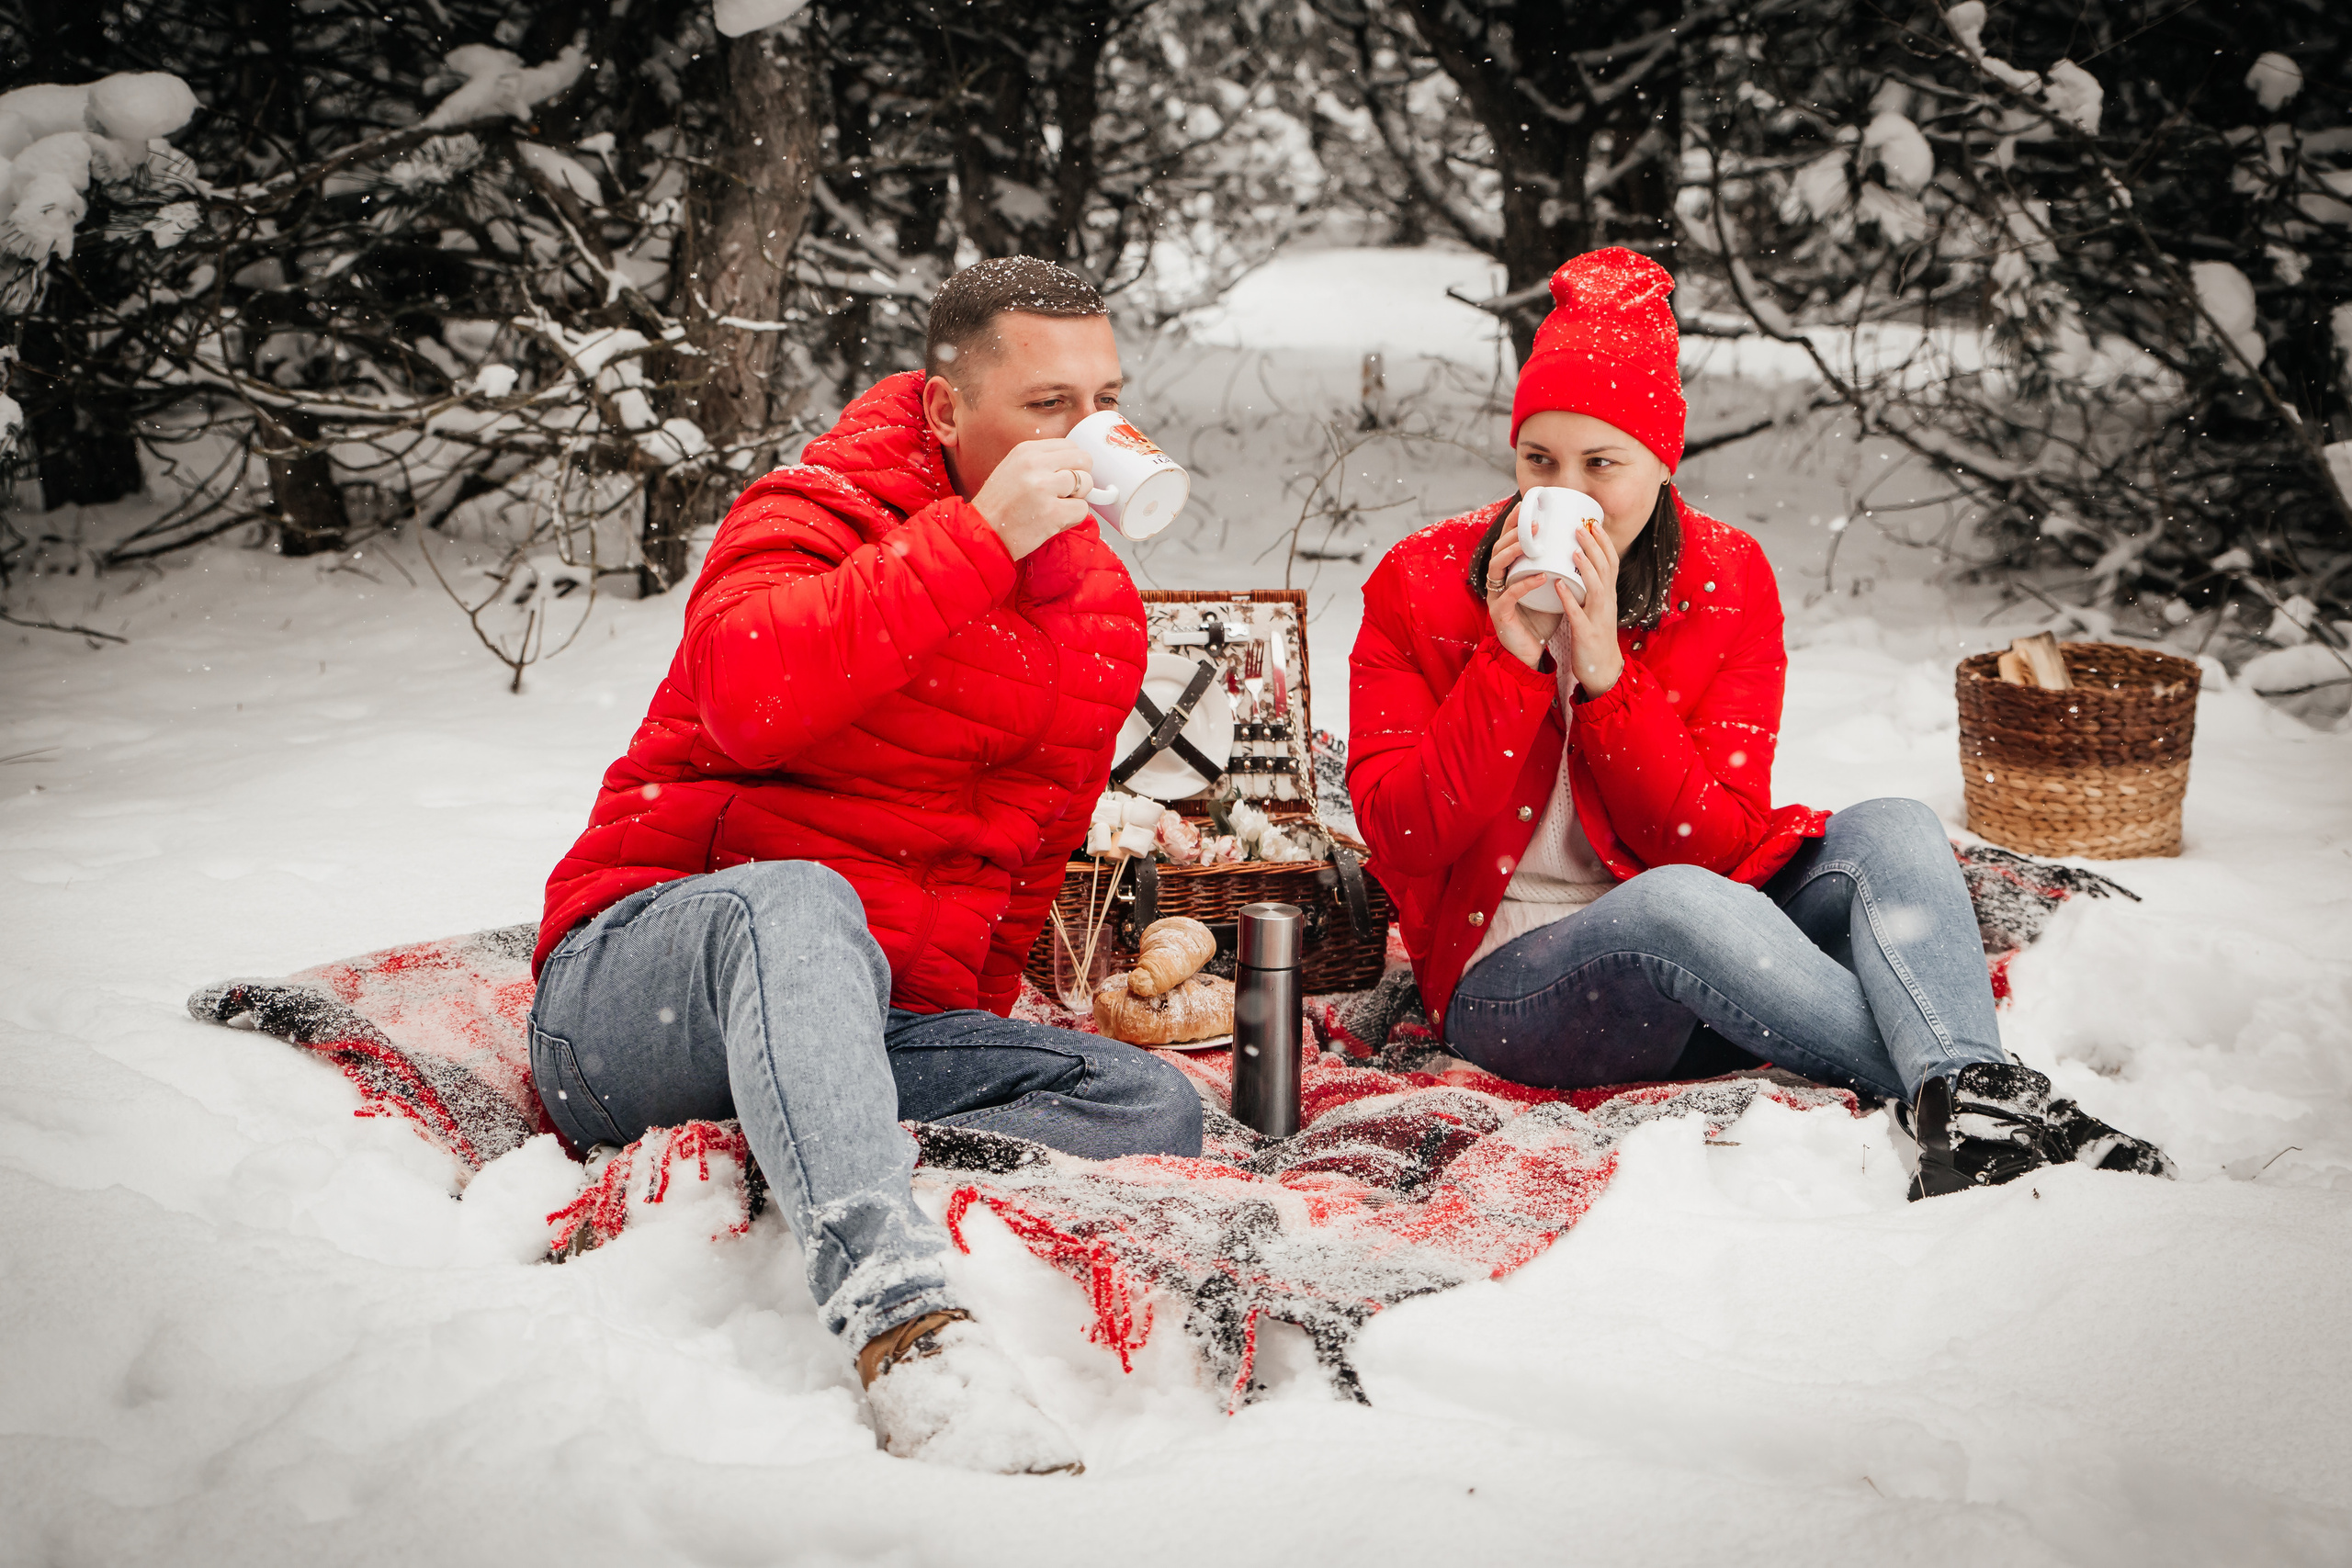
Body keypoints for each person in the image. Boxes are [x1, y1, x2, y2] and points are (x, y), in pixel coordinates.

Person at [527, 257, 1204, 1474]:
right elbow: (742, 698)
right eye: (1047, 403)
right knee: (800, 898)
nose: (1087, 430)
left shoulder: (1102, 604)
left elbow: (1030, 849)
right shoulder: (811, 506)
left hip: (868, 1027)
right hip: (641, 997)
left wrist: (972, 1028)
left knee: (1148, 1101)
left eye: (1103, 395)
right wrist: (977, 540)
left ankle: (824, 1143)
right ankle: (909, 1328)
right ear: (947, 411)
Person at [1346, 247, 2170, 1201]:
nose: (1560, 493)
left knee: (1893, 826)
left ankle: (1966, 1099)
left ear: (1663, 461)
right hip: (1513, 983)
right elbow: (1403, 831)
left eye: (1600, 464)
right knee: (1675, 906)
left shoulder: (1725, 578)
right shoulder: (1419, 579)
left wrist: (1608, 675)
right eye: (1540, 460)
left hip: (1721, 937)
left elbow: (1717, 839)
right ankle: (1975, 1086)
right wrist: (1508, 658)